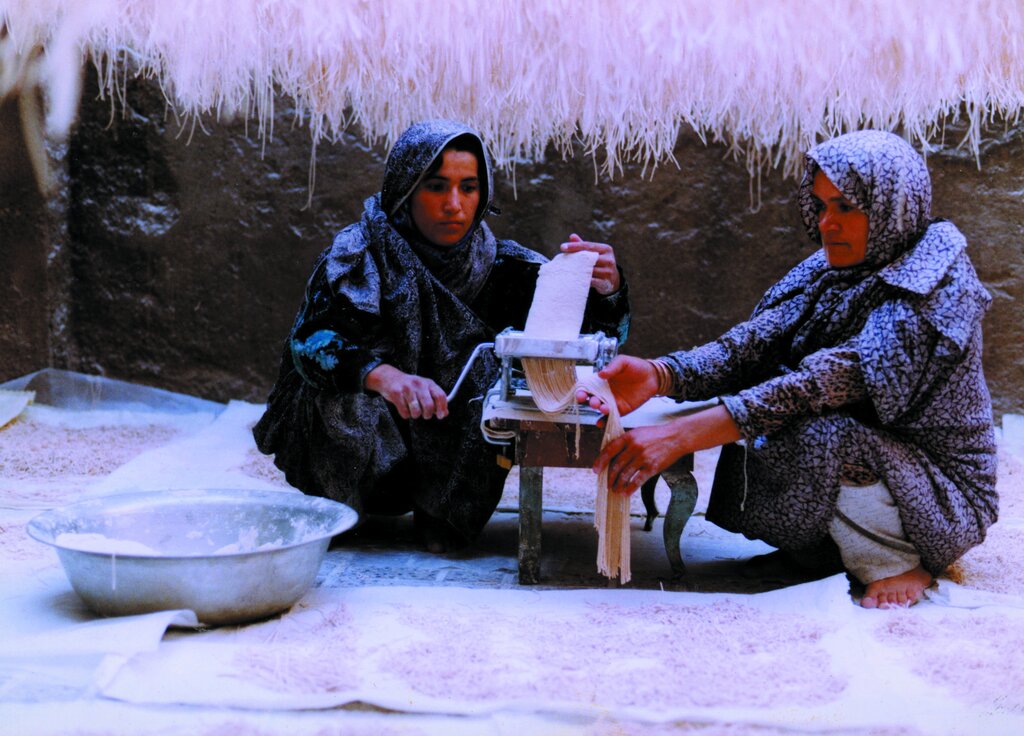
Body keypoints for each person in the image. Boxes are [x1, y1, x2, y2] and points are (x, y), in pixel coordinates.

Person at [581, 130, 997, 609]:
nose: (826, 224)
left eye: (845, 207)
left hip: (942, 498)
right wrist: (660, 375)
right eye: (820, 207)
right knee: (779, 416)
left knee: (816, 430)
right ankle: (825, 552)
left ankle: (895, 561)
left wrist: (681, 435)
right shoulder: (833, 268)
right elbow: (751, 345)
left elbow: (816, 386)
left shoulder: (936, 287)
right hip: (886, 463)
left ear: (892, 205)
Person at [254, 120, 630, 552]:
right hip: (372, 444)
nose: (454, 204)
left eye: (468, 188)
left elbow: (596, 349)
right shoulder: (358, 256)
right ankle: (341, 508)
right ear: (405, 190)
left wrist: (608, 290)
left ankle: (446, 514)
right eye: (436, 186)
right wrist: (385, 377)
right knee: (336, 387)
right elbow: (311, 343)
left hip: (451, 446)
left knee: (497, 376)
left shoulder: (504, 268)